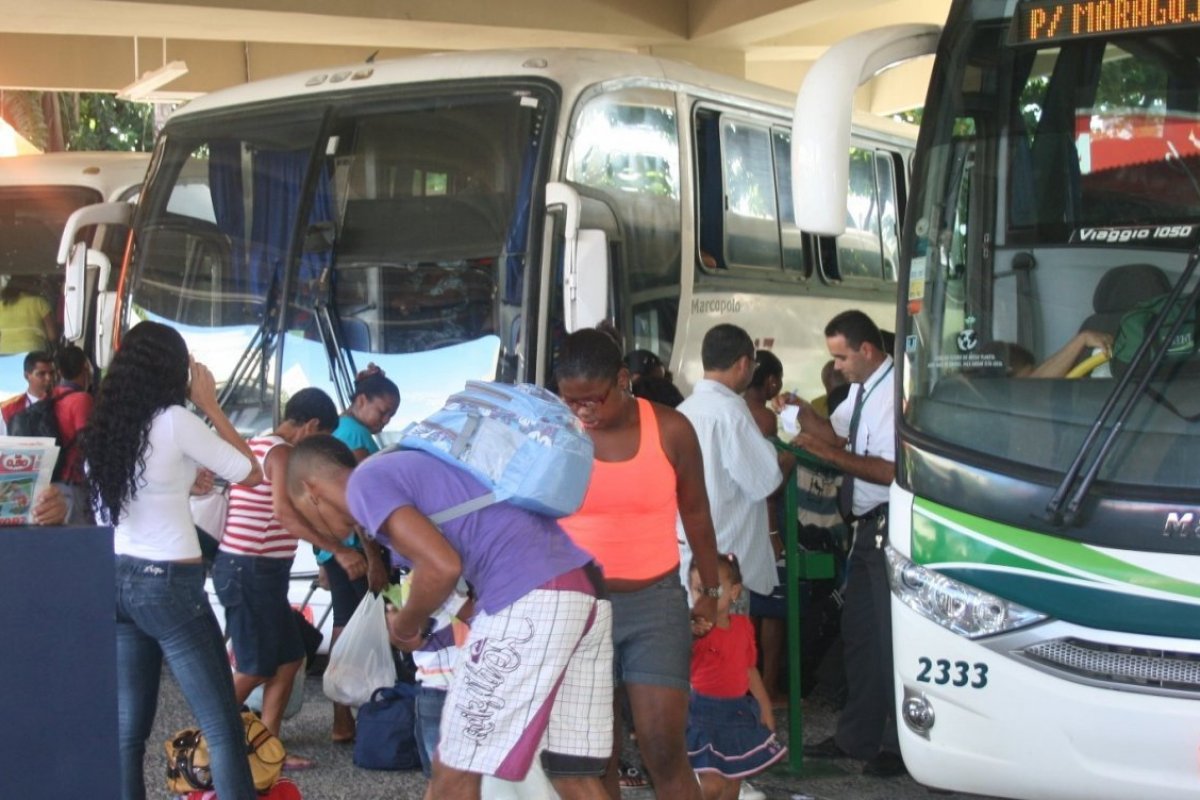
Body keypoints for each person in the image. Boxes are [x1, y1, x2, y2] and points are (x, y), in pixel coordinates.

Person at [287, 435, 613, 800]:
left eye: (305, 516)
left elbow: (442, 567)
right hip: (582, 587)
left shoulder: (364, 483)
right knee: (571, 775)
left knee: (455, 772)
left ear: (311, 491)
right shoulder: (400, 467)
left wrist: (406, 625)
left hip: (528, 597)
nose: (318, 532)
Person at [82, 320, 264, 800]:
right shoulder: (176, 419)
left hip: (117, 577)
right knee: (222, 726)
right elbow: (251, 472)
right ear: (174, 370)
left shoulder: (108, 424)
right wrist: (211, 405)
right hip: (169, 583)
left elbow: (132, 498)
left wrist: (185, 483)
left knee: (128, 731)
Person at [556, 327, 721, 800]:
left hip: (654, 604)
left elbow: (696, 513)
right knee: (595, 755)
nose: (582, 412)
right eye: (571, 401)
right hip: (577, 607)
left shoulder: (670, 429)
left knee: (663, 748)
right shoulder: (556, 433)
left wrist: (710, 592)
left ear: (623, 380)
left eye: (593, 399)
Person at [791, 309, 903, 777]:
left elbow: (890, 470)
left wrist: (828, 454)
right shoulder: (862, 387)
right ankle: (857, 736)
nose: (835, 367)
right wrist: (803, 414)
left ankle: (898, 745)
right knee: (860, 634)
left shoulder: (894, 393)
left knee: (890, 640)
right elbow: (837, 434)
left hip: (892, 526)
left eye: (841, 358)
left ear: (866, 350)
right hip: (865, 530)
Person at [212, 386, 348, 770]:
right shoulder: (282, 453)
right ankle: (203, 741)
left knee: (290, 658)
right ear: (311, 425)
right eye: (321, 439)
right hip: (250, 569)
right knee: (254, 666)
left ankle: (267, 749)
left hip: (258, 570)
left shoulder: (258, 444)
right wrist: (336, 548)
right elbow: (285, 514)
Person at [320, 364, 398, 743]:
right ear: (361, 400)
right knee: (356, 625)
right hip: (356, 547)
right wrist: (374, 557)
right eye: (382, 411)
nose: (385, 421)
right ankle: (349, 711)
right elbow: (358, 499)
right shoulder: (354, 434)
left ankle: (344, 715)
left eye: (391, 416)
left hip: (338, 545)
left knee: (346, 622)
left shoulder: (345, 428)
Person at [686, 554, 787, 800]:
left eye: (715, 590)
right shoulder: (695, 630)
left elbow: (749, 669)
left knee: (732, 783)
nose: (707, 597)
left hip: (736, 714)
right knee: (711, 785)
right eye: (699, 590)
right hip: (701, 713)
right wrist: (691, 629)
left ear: (734, 592)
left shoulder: (743, 626)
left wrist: (765, 707)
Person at [51, 344, 94, 524]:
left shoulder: (52, 396)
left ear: (59, 371)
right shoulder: (82, 400)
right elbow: (88, 444)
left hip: (53, 482)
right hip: (73, 483)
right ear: (85, 367)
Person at [0, 350, 54, 432]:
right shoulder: (7, 409)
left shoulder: (63, 404)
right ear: (26, 376)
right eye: (41, 374)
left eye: (51, 373)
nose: (48, 378)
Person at [0, 275, 56, 355]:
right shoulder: (39, 302)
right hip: (32, 352)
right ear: (29, 286)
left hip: (4, 353)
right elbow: (52, 335)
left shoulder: (1, 304)